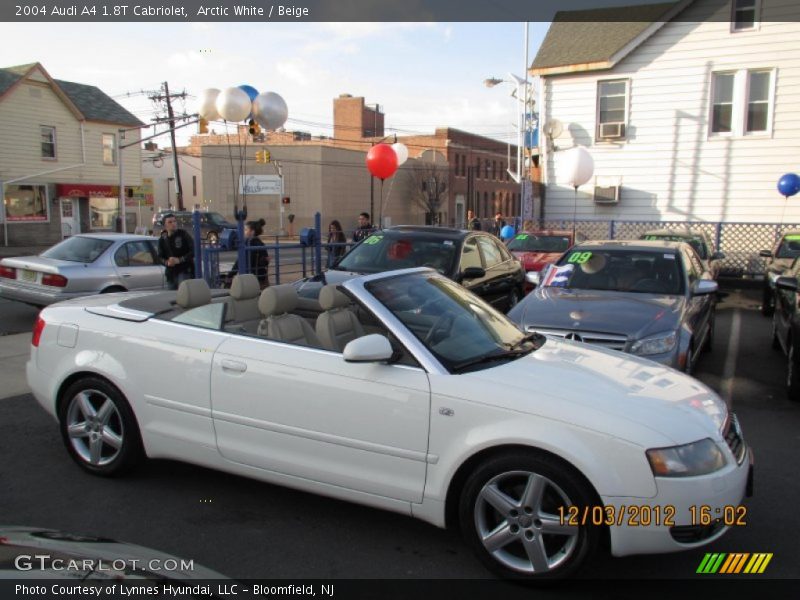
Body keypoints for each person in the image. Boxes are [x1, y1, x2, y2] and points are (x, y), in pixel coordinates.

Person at [157, 212, 194, 290]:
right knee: (172, 297)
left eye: (174, 221)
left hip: (184, 271)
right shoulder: (162, 240)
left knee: (184, 293)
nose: (173, 224)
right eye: (170, 222)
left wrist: (179, 260)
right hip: (171, 274)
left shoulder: (183, 234)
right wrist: (167, 262)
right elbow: (159, 257)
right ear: (165, 225)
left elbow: (193, 251)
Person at [230, 219, 270, 287]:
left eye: (246, 230)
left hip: (253, 278)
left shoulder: (250, 244)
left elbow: (240, 261)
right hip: (258, 276)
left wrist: (230, 275)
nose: (244, 232)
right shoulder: (257, 243)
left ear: (252, 232)